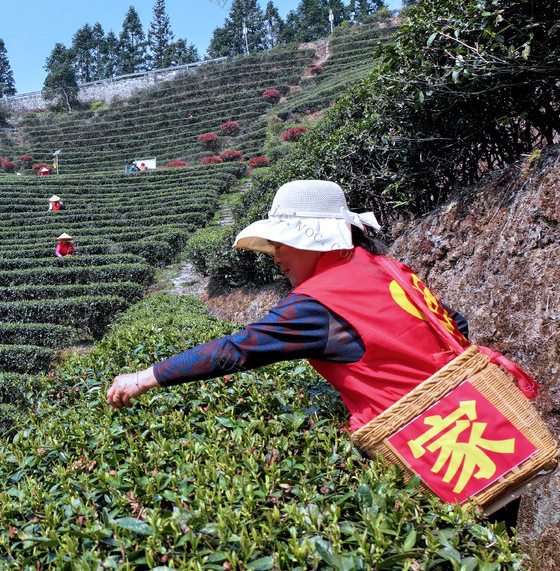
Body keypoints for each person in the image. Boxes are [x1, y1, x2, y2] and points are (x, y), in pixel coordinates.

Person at [106, 180, 472, 433]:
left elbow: (236, 350)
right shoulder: (384, 270)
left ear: (317, 241)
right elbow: (456, 322)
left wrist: (144, 378)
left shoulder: (319, 302)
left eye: (283, 244)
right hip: (477, 413)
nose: (276, 257)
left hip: (425, 439)